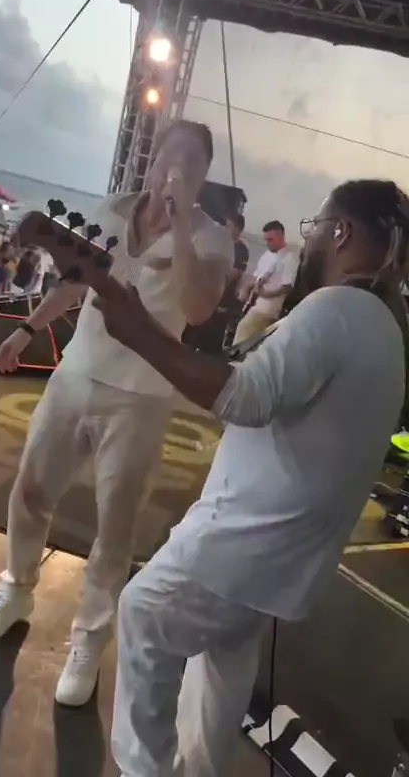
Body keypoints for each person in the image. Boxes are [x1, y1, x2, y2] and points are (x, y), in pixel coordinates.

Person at [92, 179, 409, 777]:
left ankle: (144, 770)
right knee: (222, 659)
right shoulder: (388, 326)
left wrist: (138, 332)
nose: (311, 238)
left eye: (316, 227)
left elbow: (247, 398)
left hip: (243, 542)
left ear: (341, 232)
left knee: (145, 613)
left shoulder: (336, 309)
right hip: (285, 561)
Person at [0, 120, 234, 707]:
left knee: (115, 526)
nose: (177, 167)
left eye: (192, 161)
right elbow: (74, 281)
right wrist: (26, 330)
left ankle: (88, 639)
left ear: (204, 174)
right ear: (153, 158)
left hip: (141, 397)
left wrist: (181, 224)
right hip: (76, 374)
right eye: (170, 154)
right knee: (30, 490)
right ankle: (16, 589)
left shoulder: (212, 239)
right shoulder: (111, 210)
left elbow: (197, 307)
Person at [183, 211, 249, 354]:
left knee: (211, 343)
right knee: (190, 336)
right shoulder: (218, 242)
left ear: (238, 229)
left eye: (229, 226)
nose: (225, 229)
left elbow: (234, 274)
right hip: (203, 297)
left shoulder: (241, 250)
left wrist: (211, 270)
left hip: (222, 302)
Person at [234, 219, 298, 345]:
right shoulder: (267, 255)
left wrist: (265, 293)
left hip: (266, 311)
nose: (268, 243)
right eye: (266, 240)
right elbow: (256, 278)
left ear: (281, 236)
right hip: (252, 307)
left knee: (241, 342)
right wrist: (245, 288)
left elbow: (288, 286)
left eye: (271, 240)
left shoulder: (290, 258)